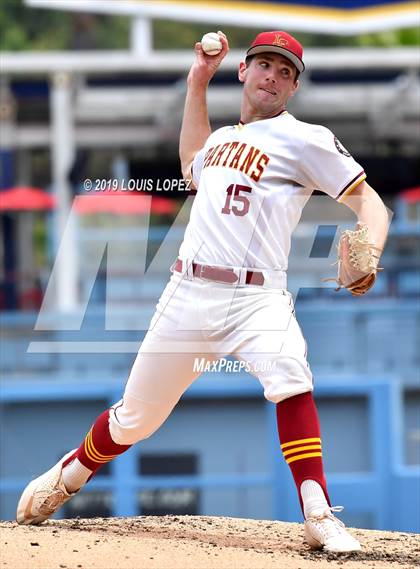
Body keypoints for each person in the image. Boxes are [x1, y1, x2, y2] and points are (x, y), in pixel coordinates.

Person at [17, 31, 389, 553]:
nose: (273, 78)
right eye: (265, 65)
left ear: (294, 87)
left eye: (286, 72)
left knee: (291, 375)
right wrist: (198, 77)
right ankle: (70, 473)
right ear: (245, 71)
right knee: (134, 419)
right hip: (188, 292)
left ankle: (318, 510)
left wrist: (371, 244)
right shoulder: (220, 142)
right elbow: (192, 159)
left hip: (258, 297)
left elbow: (371, 203)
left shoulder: (306, 138)